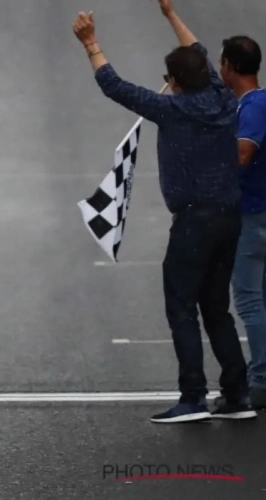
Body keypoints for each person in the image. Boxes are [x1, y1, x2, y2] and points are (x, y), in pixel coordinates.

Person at [72, 0, 256, 423]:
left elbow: (114, 85)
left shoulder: (172, 109)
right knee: (216, 308)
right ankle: (237, 394)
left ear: (173, 81)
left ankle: (193, 397)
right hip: (230, 216)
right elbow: (202, 56)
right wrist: (171, 15)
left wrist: (90, 42)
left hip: (194, 221)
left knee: (180, 307)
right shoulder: (222, 98)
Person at [219, 35, 266, 409]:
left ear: (230, 67)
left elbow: (244, 152)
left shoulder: (253, 105)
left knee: (249, 301)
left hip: (252, 213)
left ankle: (262, 380)